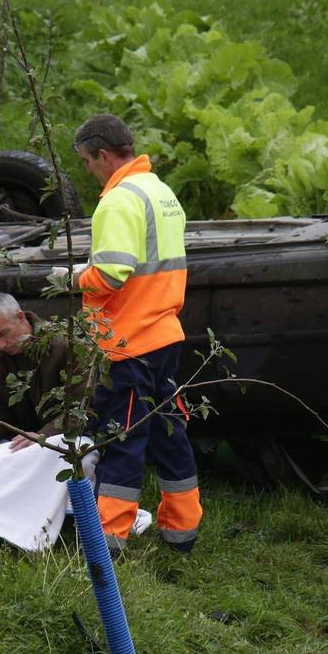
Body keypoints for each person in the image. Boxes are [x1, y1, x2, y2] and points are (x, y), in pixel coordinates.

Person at [68, 113, 201, 555]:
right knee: (169, 433)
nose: (88, 170)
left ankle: (109, 541)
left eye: (88, 161)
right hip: (163, 334)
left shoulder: (119, 200)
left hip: (129, 342)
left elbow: (110, 274)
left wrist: (72, 278)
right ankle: (182, 530)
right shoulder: (161, 193)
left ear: (104, 155)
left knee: (121, 439)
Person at [0, 292, 83, 451]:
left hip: (68, 439)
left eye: (2, 334)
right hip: (23, 445)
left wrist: (43, 435)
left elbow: (82, 410)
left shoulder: (66, 346)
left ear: (20, 317)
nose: (0, 345)